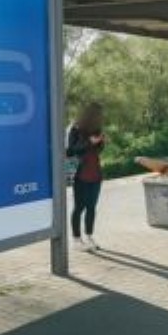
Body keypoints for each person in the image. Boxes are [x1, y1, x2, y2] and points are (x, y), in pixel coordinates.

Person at [66, 102, 105, 250]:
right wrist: (90, 142)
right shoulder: (75, 129)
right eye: (98, 115)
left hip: (96, 174)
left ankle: (89, 236)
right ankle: (76, 239)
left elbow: (98, 151)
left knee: (91, 207)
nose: (100, 118)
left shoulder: (97, 129)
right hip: (81, 174)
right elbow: (70, 151)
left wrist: (100, 143)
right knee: (79, 207)